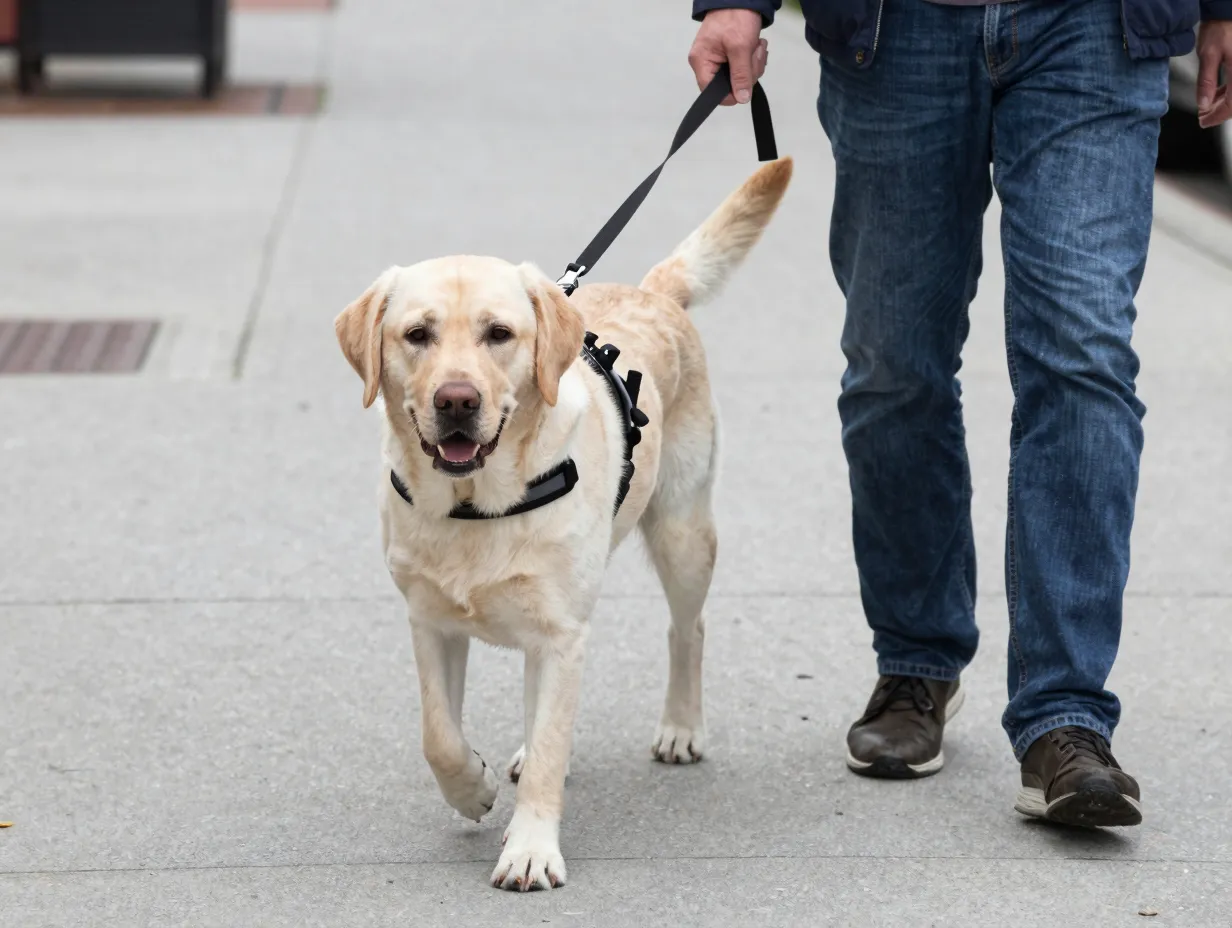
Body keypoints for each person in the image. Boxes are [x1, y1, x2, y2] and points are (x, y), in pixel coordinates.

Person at [687, 0, 1232, 828]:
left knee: (1083, 355)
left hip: (1097, 29)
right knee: (894, 365)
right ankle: (916, 660)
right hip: (897, 33)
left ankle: (1067, 715)